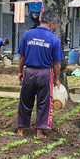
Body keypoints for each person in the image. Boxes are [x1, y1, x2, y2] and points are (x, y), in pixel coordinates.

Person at [17, 9, 62, 138]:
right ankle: (39, 132)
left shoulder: (27, 35)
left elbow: (21, 57)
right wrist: (56, 79)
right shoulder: (54, 39)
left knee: (25, 101)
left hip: (29, 72)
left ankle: (20, 130)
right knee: (44, 102)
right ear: (52, 24)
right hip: (45, 73)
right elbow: (57, 63)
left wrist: (20, 72)